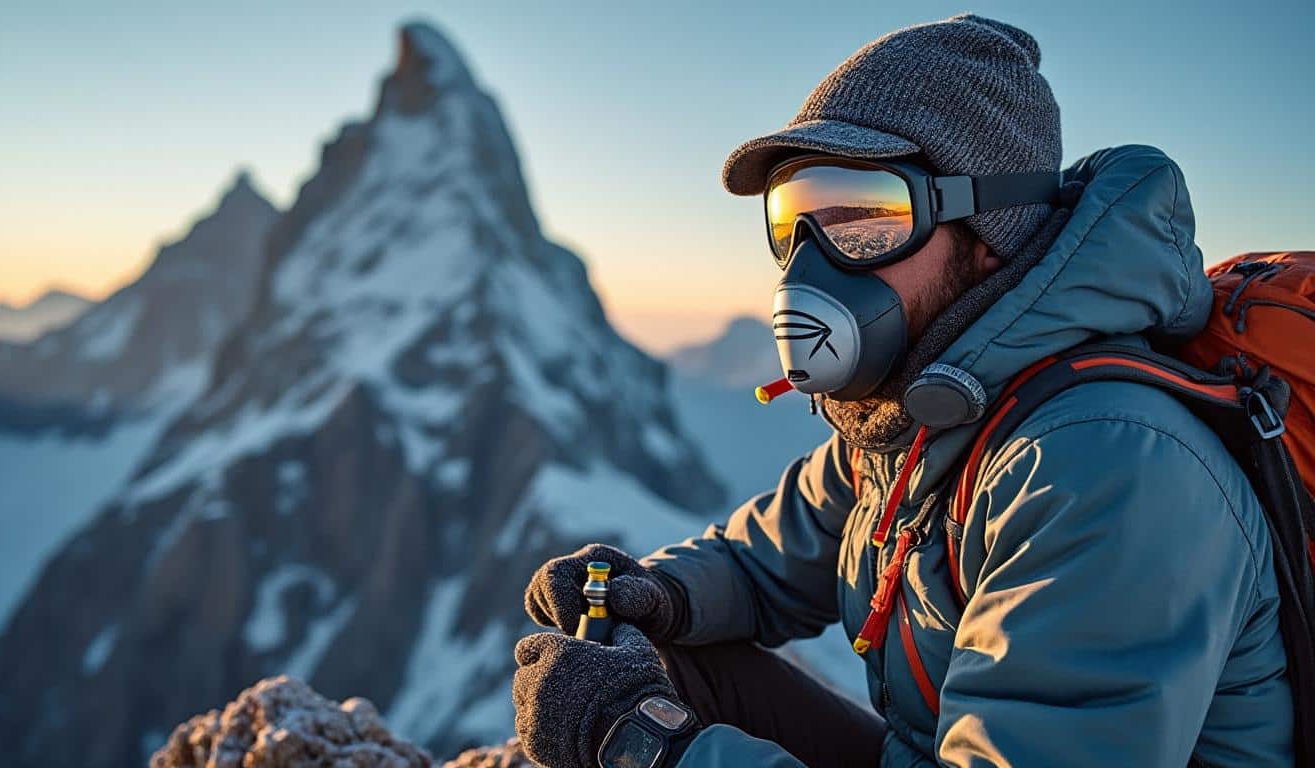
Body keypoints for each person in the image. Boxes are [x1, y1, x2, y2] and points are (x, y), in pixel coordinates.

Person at [511, 13, 1294, 768]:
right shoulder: (918, 412)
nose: (809, 265)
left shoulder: (1106, 465)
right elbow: (766, 562)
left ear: (994, 234)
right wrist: (657, 590)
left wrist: (645, 747)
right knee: (661, 663)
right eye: (797, 219)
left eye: (867, 219)